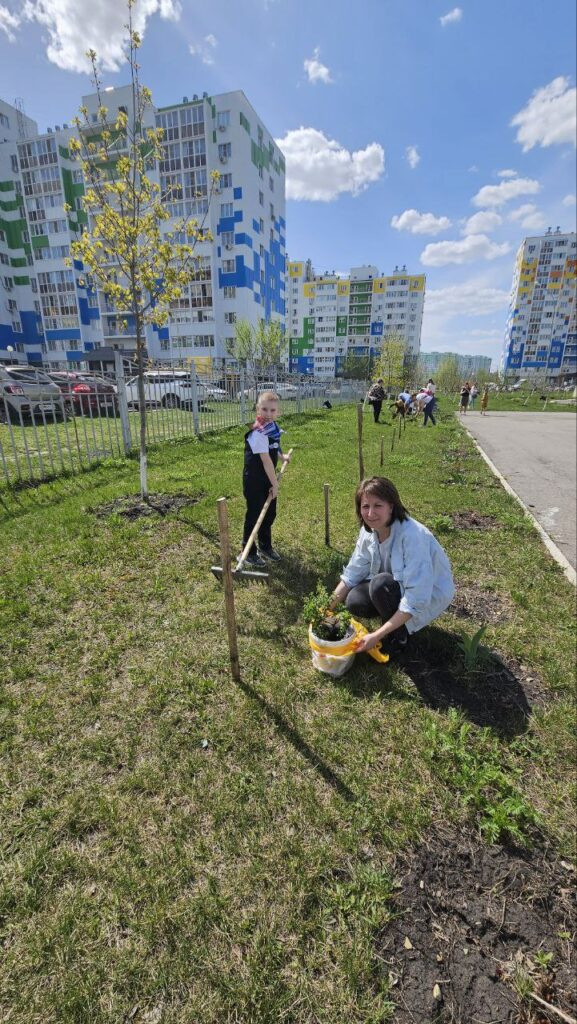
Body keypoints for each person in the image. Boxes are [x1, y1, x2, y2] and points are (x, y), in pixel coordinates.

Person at [328, 477, 455, 656]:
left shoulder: (413, 537)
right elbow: (352, 574)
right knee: (355, 600)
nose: (370, 513)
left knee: (380, 584)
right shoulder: (369, 531)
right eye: (365, 506)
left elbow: (416, 598)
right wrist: (326, 608)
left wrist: (376, 636)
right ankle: (391, 617)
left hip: (427, 593)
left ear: (391, 506)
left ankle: (399, 637)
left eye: (378, 505)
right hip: (392, 584)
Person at [242, 390, 291, 567]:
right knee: (255, 515)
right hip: (254, 480)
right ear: (257, 409)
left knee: (269, 514)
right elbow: (265, 461)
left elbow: (274, 446)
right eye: (264, 409)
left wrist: (282, 457)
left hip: (267, 479)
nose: (268, 414)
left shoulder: (272, 429)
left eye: (272, 410)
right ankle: (248, 552)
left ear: (278, 412)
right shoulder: (258, 433)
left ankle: (265, 545)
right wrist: (275, 484)